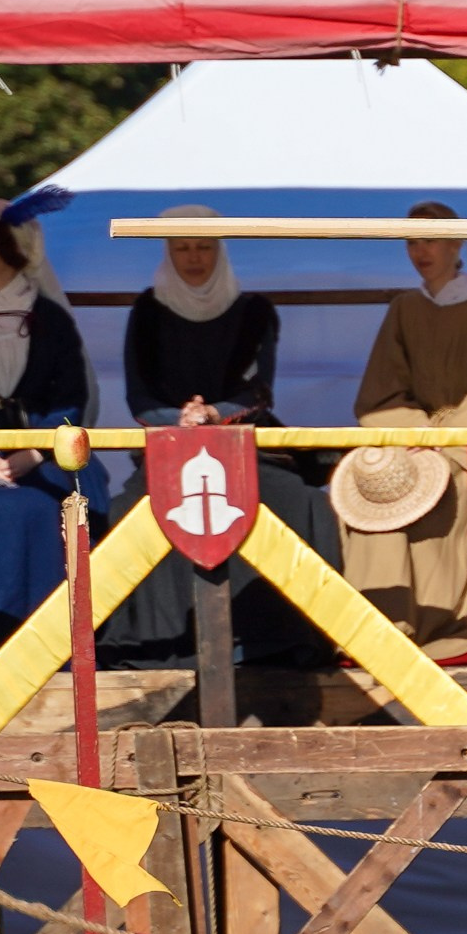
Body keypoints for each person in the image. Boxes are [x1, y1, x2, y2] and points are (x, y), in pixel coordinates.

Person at [100, 205, 343, 668]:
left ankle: (281, 639)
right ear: (169, 252)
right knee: (130, 509)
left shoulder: (253, 311)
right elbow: (138, 393)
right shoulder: (148, 311)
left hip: (242, 440)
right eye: (183, 247)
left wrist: (214, 414)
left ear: (220, 249)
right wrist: (181, 419)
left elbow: (257, 388)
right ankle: (164, 647)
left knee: (296, 500)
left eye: (204, 247)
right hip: (170, 443)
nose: (194, 258)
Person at [335, 201, 467, 657]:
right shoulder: (404, 309)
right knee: (372, 490)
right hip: (411, 443)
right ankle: (381, 620)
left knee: (450, 491)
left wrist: (441, 441)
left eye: (432, 240)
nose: (421, 251)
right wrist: (415, 437)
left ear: (457, 244)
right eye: (413, 242)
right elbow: (380, 395)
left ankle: (446, 614)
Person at [0, 191, 106, 645]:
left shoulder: (51, 320)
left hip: (45, 455)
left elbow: (73, 400)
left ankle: (53, 643)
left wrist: (32, 453)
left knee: (55, 506)